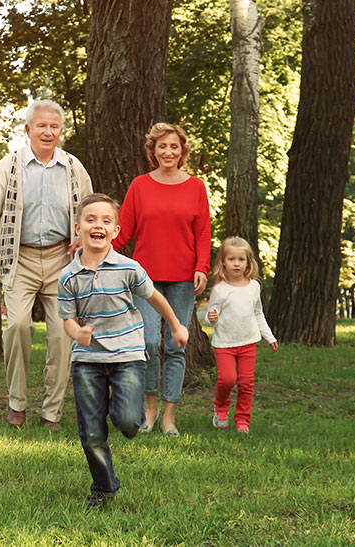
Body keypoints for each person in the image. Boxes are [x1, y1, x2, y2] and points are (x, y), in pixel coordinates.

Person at [58, 193, 189, 509]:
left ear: (115, 231)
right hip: (88, 360)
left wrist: (176, 325)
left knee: (129, 422)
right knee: (91, 433)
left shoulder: (129, 268)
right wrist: (78, 333)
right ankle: (104, 488)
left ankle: (124, 414)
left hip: (127, 356)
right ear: (78, 228)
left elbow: (154, 297)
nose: (98, 225)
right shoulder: (68, 276)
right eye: (91, 219)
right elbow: (68, 321)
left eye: (106, 221)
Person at [0, 99, 93, 430]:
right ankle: (17, 403)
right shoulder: (10, 166)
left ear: (61, 131)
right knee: (18, 326)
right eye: (41, 126)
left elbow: (90, 212)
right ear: (28, 130)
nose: (47, 132)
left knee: (62, 335)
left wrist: (85, 238)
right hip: (19, 258)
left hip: (61, 260)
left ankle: (52, 412)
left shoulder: (73, 168)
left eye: (54, 126)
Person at [112, 122, 211, 437]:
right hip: (145, 279)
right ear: (153, 151)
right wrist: (94, 247)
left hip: (183, 279)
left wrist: (202, 267)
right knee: (149, 343)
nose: (168, 152)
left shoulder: (196, 187)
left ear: (182, 152)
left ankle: (169, 416)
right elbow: (123, 232)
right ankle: (150, 408)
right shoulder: (140, 186)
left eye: (174, 146)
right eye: (162, 146)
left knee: (177, 346)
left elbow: (203, 233)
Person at [205, 236, 278, 435]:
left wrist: (269, 337)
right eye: (231, 259)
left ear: (248, 262)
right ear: (223, 262)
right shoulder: (220, 290)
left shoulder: (254, 287)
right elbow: (210, 316)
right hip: (224, 343)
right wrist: (211, 317)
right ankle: (221, 408)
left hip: (248, 342)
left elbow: (258, 313)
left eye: (241, 259)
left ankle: (243, 419)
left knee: (246, 384)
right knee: (227, 380)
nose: (236, 264)